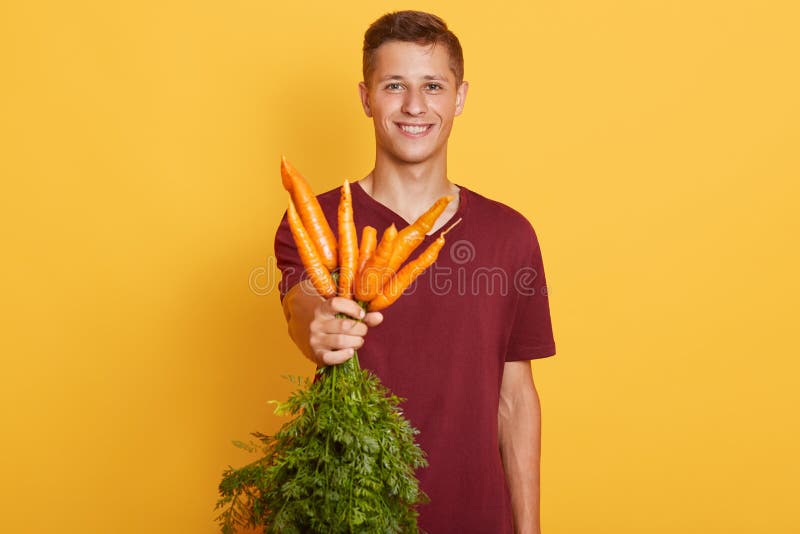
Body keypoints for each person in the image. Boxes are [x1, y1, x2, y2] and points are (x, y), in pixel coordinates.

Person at [275, 10, 556, 534]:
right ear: (365, 98)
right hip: (346, 513)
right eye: (394, 85)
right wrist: (317, 322)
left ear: (460, 97)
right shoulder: (312, 221)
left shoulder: (510, 235)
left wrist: (530, 530)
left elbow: (515, 398)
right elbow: (301, 305)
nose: (414, 105)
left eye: (432, 85)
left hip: (477, 521)